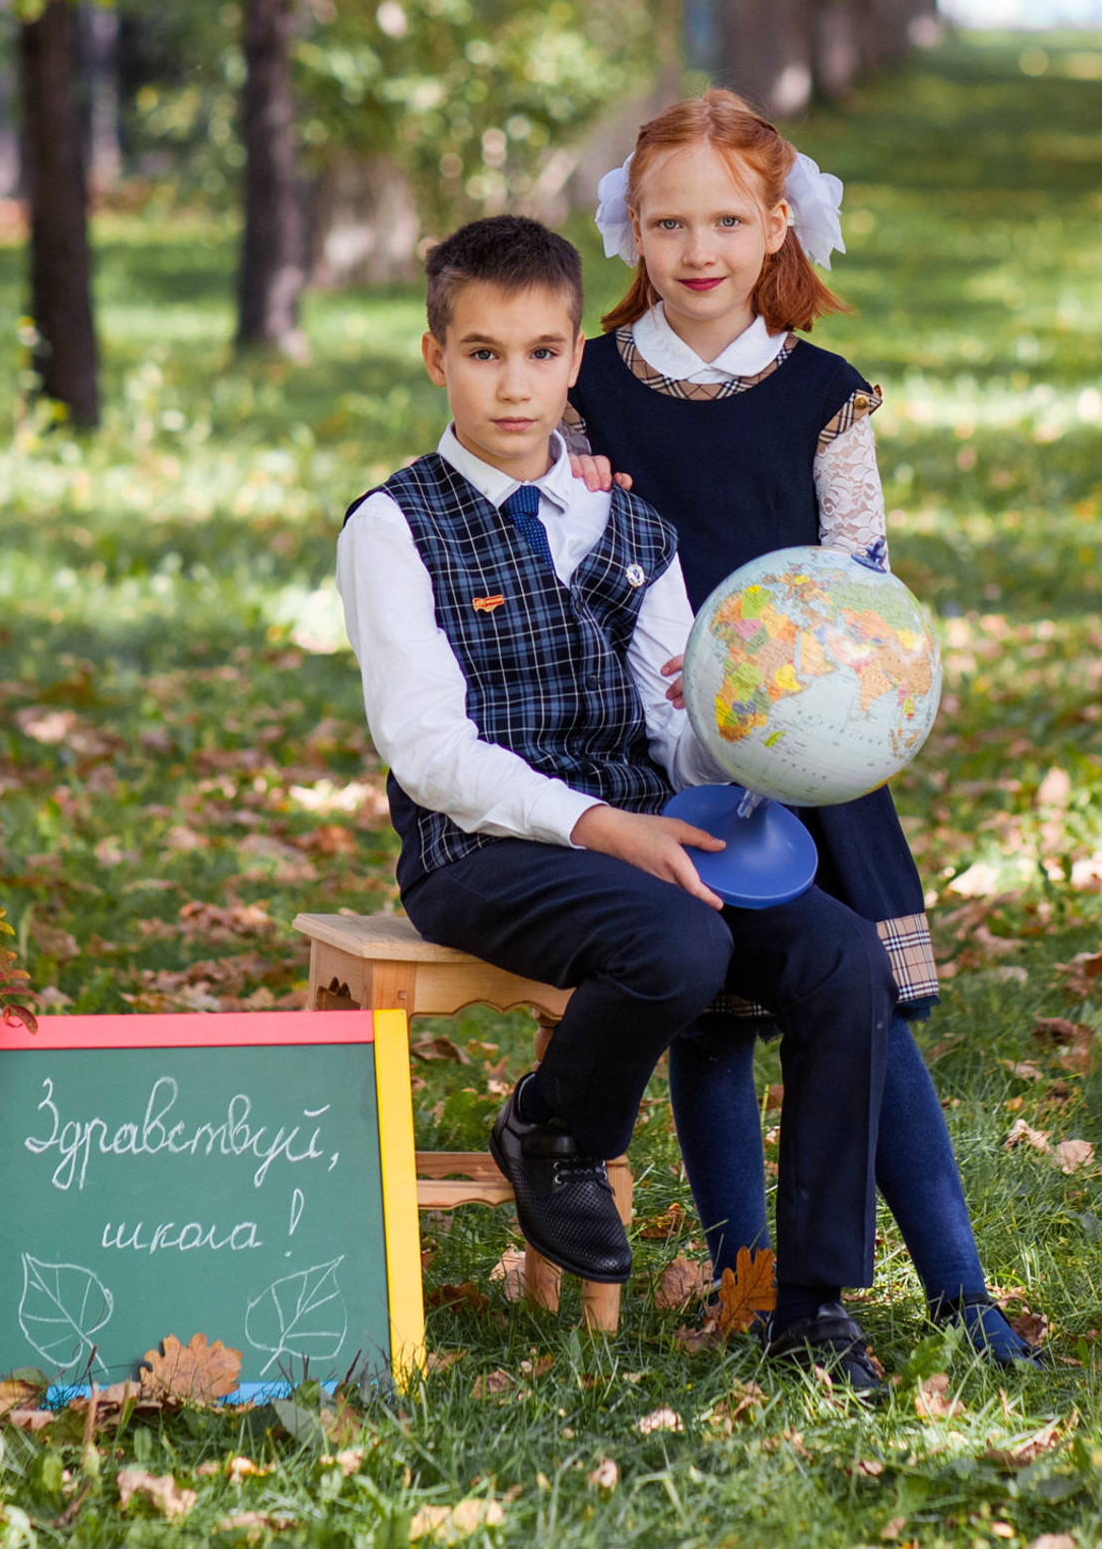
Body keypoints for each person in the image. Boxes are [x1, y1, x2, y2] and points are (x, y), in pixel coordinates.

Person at [334, 212, 894, 1392]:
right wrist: (600, 826)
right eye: (483, 352)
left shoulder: (626, 520)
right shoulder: (395, 525)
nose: (514, 383)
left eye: (541, 351)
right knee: (677, 939)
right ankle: (552, 1124)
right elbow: (427, 749)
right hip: (483, 850)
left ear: (574, 360)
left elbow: (672, 737)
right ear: (435, 357)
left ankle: (812, 1305)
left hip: (644, 832)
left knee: (843, 959)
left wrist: (742, 718)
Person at [563, 91, 1035, 1363]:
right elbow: (561, 556)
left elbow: (859, 569)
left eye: (727, 217)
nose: (698, 247)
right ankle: (753, 1288)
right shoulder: (588, 389)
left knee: (862, 1007)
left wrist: (831, 694)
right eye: (670, 222)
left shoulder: (825, 393)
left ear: (778, 224)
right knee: (710, 1028)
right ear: (632, 232)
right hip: (657, 760)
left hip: (809, 747)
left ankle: (961, 1289)